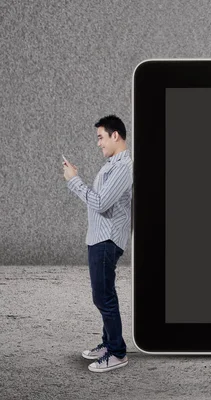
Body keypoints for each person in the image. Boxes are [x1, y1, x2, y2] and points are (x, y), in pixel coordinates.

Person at [63, 115, 133, 372]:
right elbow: (100, 199)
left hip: (107, 240)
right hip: (98, 239)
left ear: (116, 135)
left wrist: (73, 181)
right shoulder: (112, 164)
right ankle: (108, 343)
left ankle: (117, 352)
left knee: (104, 297)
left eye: (101, 137)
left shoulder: (123, 167)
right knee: (102, 295)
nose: (98, 143)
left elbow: (100, 203)